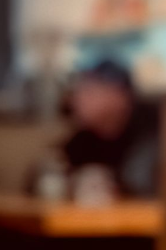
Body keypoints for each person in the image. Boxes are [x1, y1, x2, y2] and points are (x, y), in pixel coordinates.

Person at [57, 59, 159, 198]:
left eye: (89, 92)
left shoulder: (152, 140)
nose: (76, 101)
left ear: (121, 96)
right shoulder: (81, 141)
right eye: (76, 93)